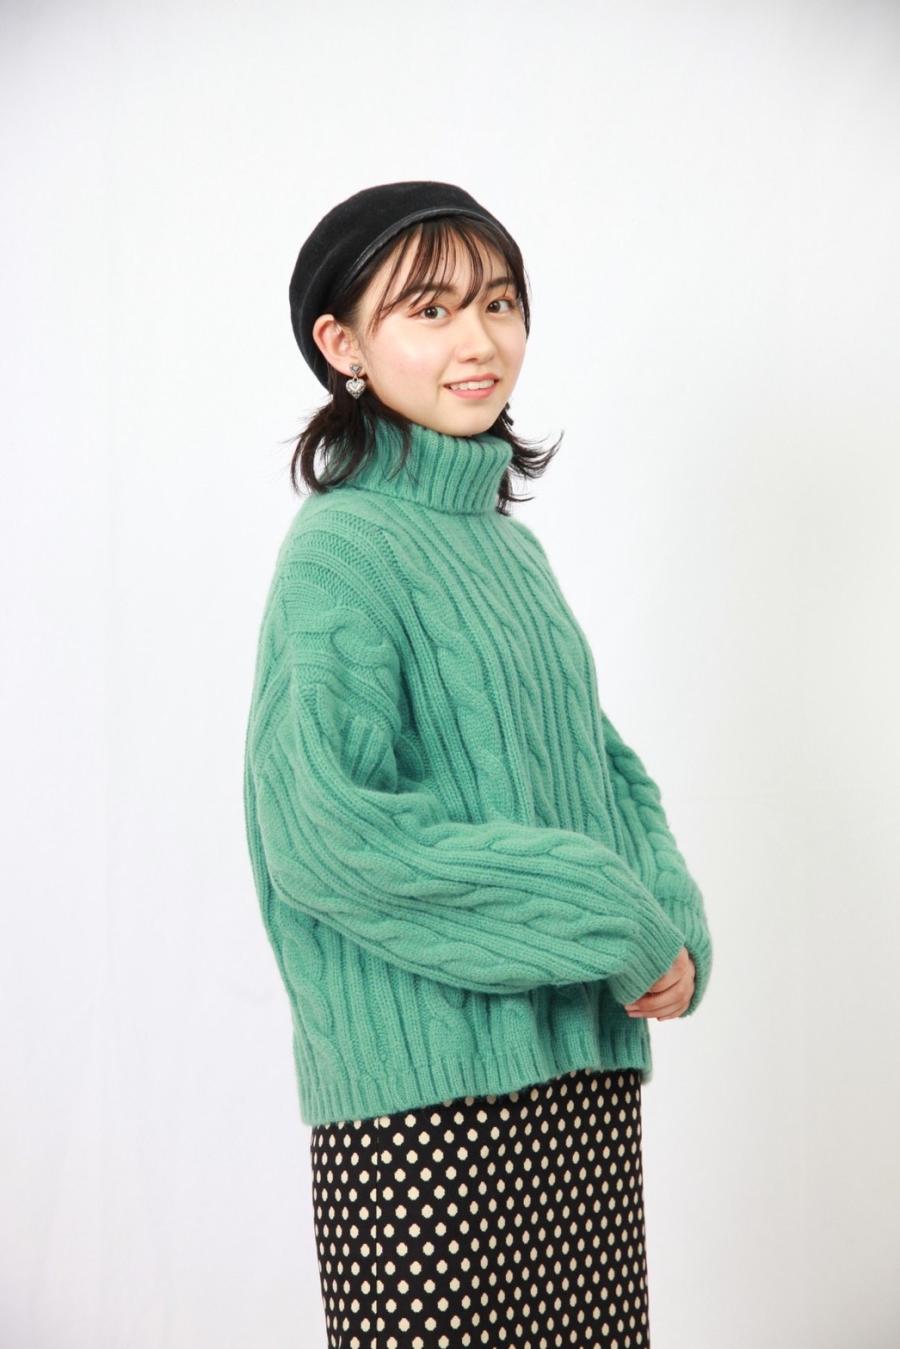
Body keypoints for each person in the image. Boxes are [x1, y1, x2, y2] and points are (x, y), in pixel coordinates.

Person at [242, 180, 713, 1349]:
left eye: (499, 302)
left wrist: (673, 919)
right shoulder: (341, 549)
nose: (479, 340)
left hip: (580, 1080)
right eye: (431, 309)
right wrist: (608, 911)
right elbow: (328, 834)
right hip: (427, 1108)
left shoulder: (510, 553)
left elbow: (598, 764)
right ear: (343, 344)